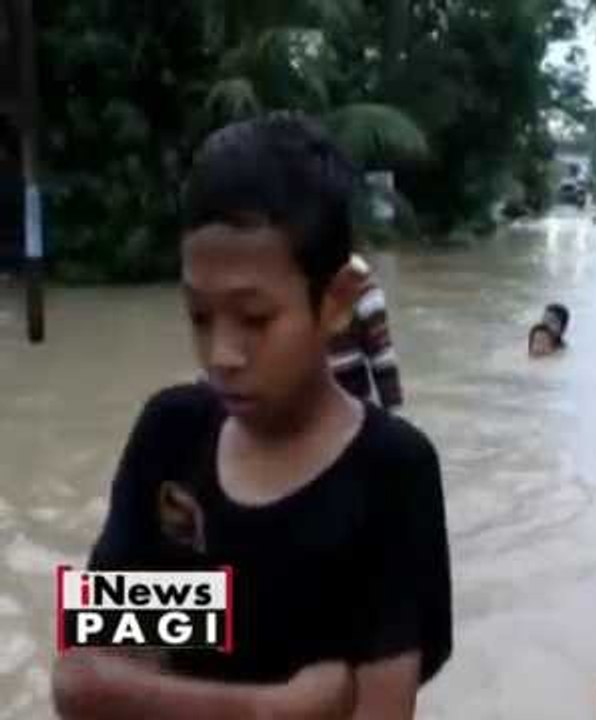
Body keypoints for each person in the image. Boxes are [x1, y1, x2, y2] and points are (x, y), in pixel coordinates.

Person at [52, 112, 453, 719]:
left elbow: (382, 709)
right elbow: (80, 680)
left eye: (256, 319)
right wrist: (274, 709)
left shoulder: (389, 473)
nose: (222, 356)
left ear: (337, 301)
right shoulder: (171, 434)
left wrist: (170, 665)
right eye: (198, 316)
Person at [329, 253, 404, 410]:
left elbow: (381, 354)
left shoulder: (361, 283)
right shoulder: (287, 279)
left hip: (352, 396)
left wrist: (392, 412)